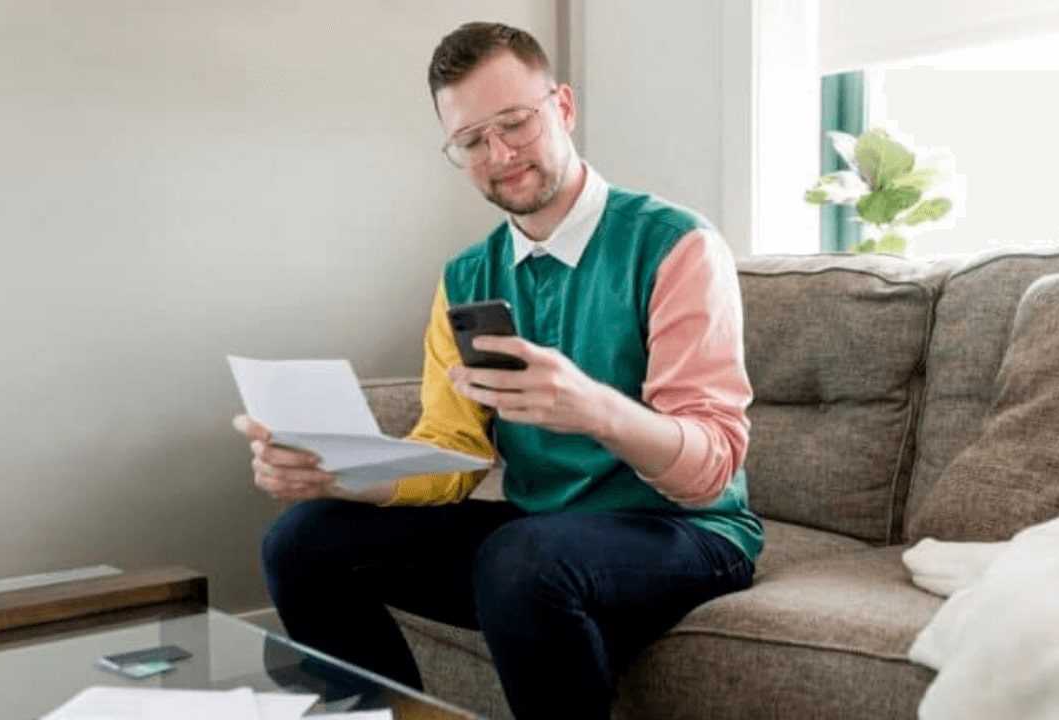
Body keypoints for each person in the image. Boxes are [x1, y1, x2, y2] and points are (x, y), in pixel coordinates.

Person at [233, 21, 763, 720]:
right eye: (472, 141)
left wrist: (593, 408)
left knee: (520, 558)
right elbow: (453, 456)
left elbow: (711, 469)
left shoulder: (675, 245)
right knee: (302, 542)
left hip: (688, 532)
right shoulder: (466, 277)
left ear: (563, 108)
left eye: (515, 123)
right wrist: (343, 473)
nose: (500, 154)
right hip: (542, 530)